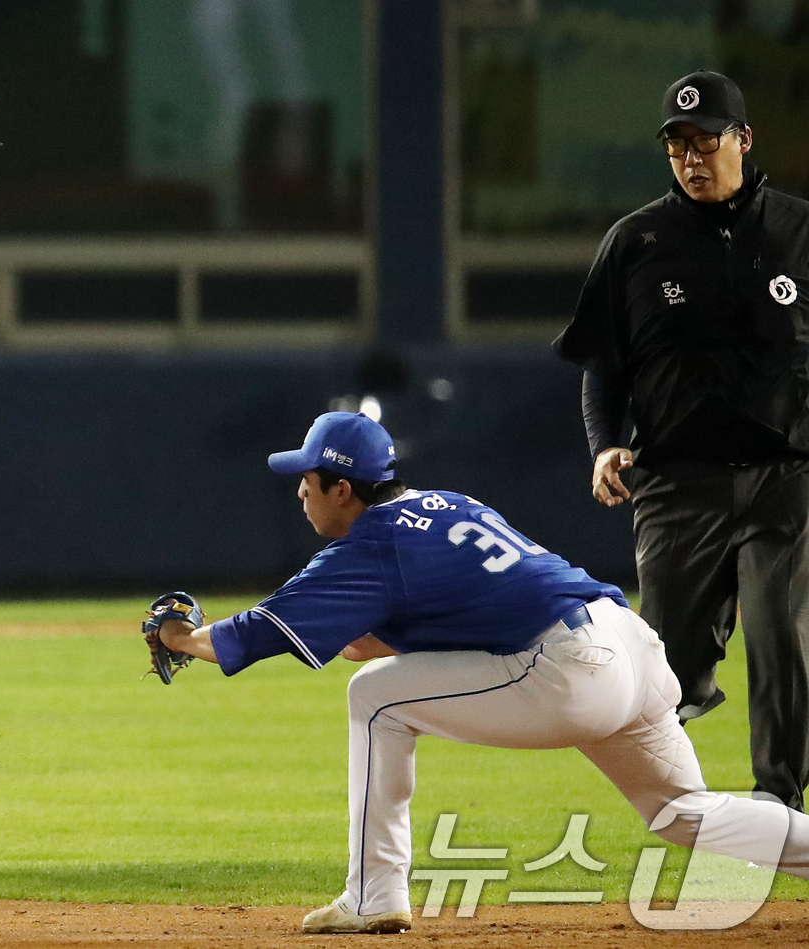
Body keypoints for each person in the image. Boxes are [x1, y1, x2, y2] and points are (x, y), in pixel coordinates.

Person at [149, 411, 809, 934]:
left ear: (341, 489)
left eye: (307, 479)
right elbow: (378, 635)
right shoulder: (445, 505)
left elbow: (262, 631)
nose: (299, 491)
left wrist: (177, 634)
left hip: (568, 669)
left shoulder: (371, 545)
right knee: (681, 811)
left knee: (377, 701)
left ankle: (374, 896)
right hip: (628, 642)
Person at [553, 70, 809, 811]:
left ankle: (780, 805)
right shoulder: (635, 242)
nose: (692, 157)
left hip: (784, 475)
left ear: (744, 140)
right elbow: (602, 363)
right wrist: (604, 444)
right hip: (676, 480)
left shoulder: (799, 232)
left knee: (783, 636)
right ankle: (681, 779)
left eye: (706, 141)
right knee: (664, 665)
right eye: (677, 144)